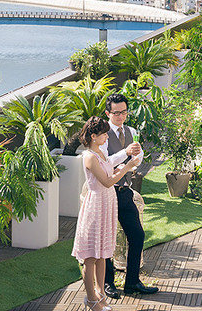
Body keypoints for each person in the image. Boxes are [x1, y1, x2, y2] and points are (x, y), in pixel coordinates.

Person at [71, 116, 143, 311]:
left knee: (103, 254)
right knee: (90, 256)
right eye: (103, 134)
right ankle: (91, 298)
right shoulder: (89, 157)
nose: (106, 137)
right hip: (96, 206)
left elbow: (110, 165)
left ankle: (100, 294)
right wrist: (127, 167)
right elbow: (107, 181)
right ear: (94, 136)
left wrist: (123, 160)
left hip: (106, 205)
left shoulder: (100, 154)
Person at [100, 93, 157, 299]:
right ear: (108, 113)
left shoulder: (131, 130)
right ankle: (108, 283)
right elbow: (104, 163)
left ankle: (132, 282)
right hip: (106, 192)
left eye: (124, 112)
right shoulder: (102, 134)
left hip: (124, 192)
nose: (121, 116)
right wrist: (125, 153)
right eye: (117, 113)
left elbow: (138, 158)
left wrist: (136, 156)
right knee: (107, 239)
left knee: (137, 235)